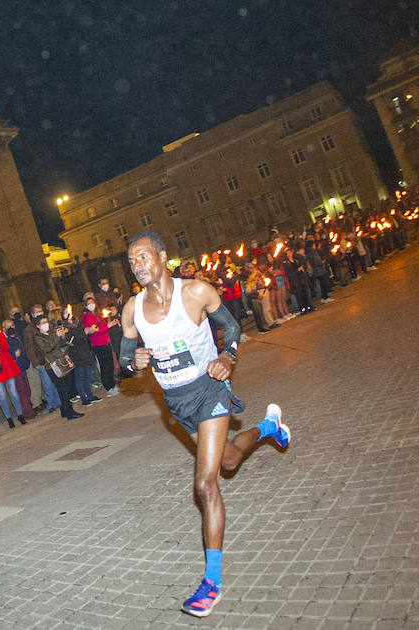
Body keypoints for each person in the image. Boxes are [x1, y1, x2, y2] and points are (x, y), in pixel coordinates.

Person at [120, 231, 290, 618]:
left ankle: (211, 582)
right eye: (132, 262)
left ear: (162, 256)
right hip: (175, 402)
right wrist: (134, 363)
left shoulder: (196, 292)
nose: (139, 265)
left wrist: (228, 357)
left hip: (209, 388)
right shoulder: (132, 309)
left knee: (204, 483)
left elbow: (231, 329)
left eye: (144, 257)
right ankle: (268, 428)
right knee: (228, 461)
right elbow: (125, 354)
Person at [32, 315, 83, 420]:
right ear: (38, 326)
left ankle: (64, 411)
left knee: (67, 386)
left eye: (46, 322)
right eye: (43, 323)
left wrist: (62, 336)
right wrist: (56, 336)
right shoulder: (38, 337)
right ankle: (69, 412)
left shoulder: (51, 333)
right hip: (52, 365)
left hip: (61, 361)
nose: (46, 324)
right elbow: (47, 348)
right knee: (62, 389)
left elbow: (60, 344)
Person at [80, 294, 119, 397]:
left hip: (106, 342)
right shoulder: (87, 317)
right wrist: (108, 326)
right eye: (88, 304)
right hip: (98, 344)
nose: (91, 305)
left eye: (92, 303)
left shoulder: (99, 314)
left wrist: (109, 323)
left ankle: (112, 384)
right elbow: (94, 332)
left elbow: (103, 326)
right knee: (104, 365)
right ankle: (108, 387)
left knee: (110, 364)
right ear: (85, 306)